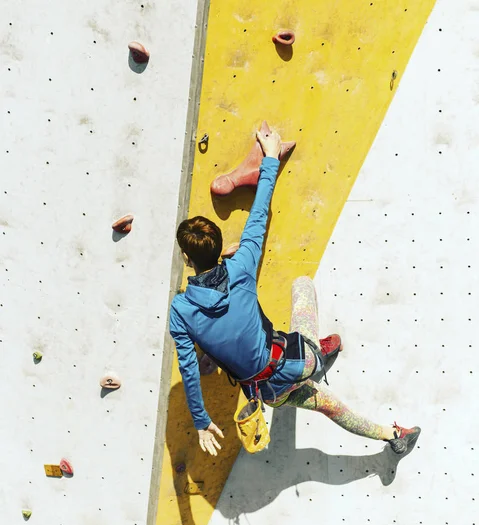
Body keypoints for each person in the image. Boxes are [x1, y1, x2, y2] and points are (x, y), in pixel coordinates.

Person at [169, 128, 421, 457]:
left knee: (331, 408)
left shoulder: (180, 310)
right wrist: (271, 156)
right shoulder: (241, 264)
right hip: (297, 363)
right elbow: (259, 214)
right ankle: (320, 351)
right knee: (302, 285)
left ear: (187, 259)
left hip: (268, 392)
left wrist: (202, 421)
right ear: (217, 247)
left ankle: (392, 435)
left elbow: (188, 370)